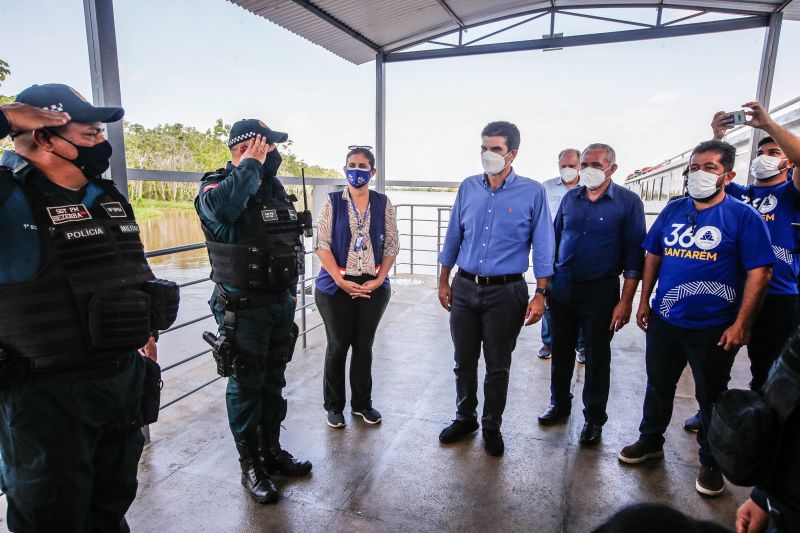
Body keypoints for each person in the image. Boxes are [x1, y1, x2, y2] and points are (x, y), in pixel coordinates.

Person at [0, 84, 177, 531]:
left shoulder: (107, 195)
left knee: (110, 509)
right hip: (45, 400)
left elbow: (131, 269)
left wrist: (146, 330)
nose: (102, 144)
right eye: (91, 134)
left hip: (121, 385)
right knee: (52, 517)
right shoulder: (9, 199)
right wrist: (6, 118)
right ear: (44, 136)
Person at [618, 140, 774, 497]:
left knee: (710, 395)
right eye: (694, 168)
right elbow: (653, 255)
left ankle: (711, 459)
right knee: (658, 385)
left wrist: (741, 324)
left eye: (709, 168)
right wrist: (645, 301)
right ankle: (650, 440)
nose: (698, 174)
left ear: (728, 176)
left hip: (714, 327)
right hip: (666, 320)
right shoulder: (674, 210)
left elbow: (760, 273)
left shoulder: (743, 217)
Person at [195, 119, 311, 505]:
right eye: (269, 146)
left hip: (279, 303)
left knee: (273, 382)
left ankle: (271, 451)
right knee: (246, 387)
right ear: (247, 148)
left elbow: (286, 246)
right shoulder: (216, 185)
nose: (275, 153)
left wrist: (290, 297)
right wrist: (248, 166)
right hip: (242, 310)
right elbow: (223, 210)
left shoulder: (273, 190)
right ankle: (250, 466)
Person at [437, 121, 555, 457]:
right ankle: (465, 418)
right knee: (463, 361)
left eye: (496, 149)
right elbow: (454, 235)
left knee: (497, 365)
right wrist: (443, 279)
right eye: (484, 148)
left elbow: (543, 244)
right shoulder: (468, 187)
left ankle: (491, 427)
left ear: (512, 153)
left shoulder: (532, 192)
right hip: (464, 286)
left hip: (506, 292)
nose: (488, 154)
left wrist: (541, 294)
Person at [683, 103, 800, 433]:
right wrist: (717, 136)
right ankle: (713, 415)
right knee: (715, 366)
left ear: (788, 162)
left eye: (774, 152)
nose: (764, 157)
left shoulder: (791, 194)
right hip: (733, 295)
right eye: (760, 152)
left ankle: (764, 429)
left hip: (777, 297)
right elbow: (710, 176)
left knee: (768, 369)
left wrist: (768, 125)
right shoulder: (741, 194)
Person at [538, 143, 646, 448]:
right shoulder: (571, 198)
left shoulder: (628, 202)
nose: (588, 169)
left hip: (601, 291)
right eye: (584, 164)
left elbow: (634, 259)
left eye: (596, 165)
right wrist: (545, 288)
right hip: (563, 287)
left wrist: (626, 301)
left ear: (612, 168)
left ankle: (594, 419)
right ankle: (559, 404)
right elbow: (554, 241)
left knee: (598, 357)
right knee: (561, 351)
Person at [315, 145, 399, 428]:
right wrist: (341, 280)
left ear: (372, 172)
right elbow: (322, 244)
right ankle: (334, 406)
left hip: (372, 286)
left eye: (363, 167)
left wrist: (378, 280)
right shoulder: (332, 202)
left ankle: (362, 404)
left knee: (364, 345)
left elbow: (391, 245)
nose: (357, 171)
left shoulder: (383, 203)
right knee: (338, 345)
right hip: (335, 285)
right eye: (352, 166)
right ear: (344, 169)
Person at [539, 148, 586, 362]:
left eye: (572, 166)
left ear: (580, 166)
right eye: (563, 166)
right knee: (548, 299)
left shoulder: (588, 187)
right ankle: (548, 342)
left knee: (581, 301)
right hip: (551, 254)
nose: (567, 169)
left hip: (579, 255)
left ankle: (581, 345)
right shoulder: (545, 188)